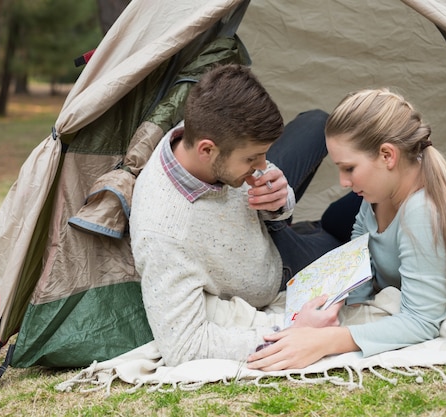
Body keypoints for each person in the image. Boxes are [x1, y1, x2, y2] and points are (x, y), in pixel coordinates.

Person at [129, 64, 348, 366]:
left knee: (318, 123)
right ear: (207, 150)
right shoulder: (165, 233)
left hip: (265, 227)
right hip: (280, 272)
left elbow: (267, 176)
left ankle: (317, 225)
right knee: (361, 248)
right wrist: (293, 331)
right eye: (251, 158)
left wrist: (281, 200)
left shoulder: (202, 127)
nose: (263, 166)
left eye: (263, 155)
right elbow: (184, 347)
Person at [247, 88, 446, 371]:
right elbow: (359, 245)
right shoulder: (379, 191)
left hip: (324, 237)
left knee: (278, 234)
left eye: (349, 169)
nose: (343, 182)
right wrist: (353, 305)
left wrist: (324, 341)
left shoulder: (422, 214)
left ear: (387, 156)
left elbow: (422, 321)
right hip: (329, 235)